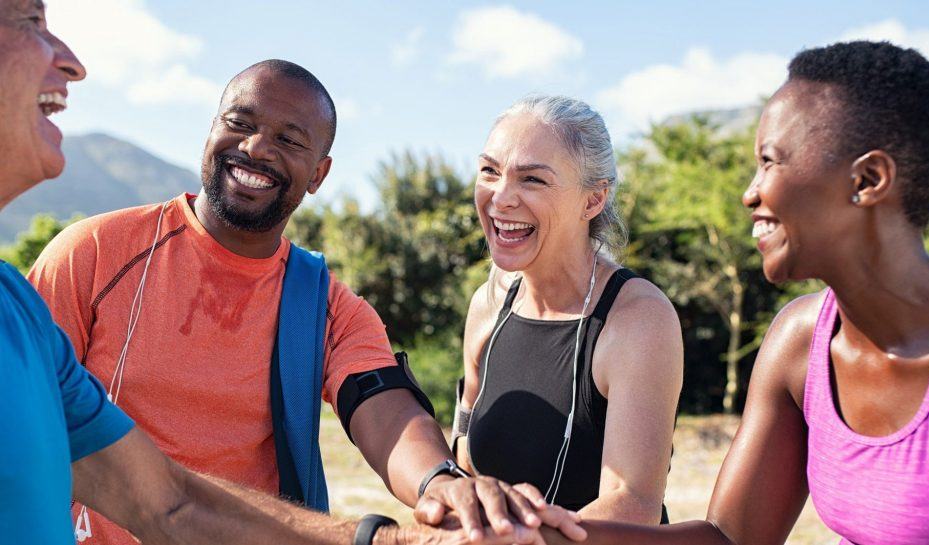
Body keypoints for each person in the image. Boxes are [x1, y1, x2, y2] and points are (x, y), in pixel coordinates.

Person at [2, 2, 584, 544]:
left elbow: (382, 405)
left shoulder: (325, 304)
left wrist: (442, 483)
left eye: (289, 139)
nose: (256, 147)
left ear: (319, 173)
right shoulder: (95, 252)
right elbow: (38, 431)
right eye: (240, 121)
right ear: (209, 129)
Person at [538, 40, 929, 545]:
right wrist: (530, 533)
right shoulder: (800, 341)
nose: (750, 192)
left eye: (770, 162)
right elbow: (730, 538)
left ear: (869, 179)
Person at [452, 95, 685, 525]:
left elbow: (633, 504)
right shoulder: (487, 305)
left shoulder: (637, 320)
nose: (500, 198)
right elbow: (465, 453)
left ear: (593, 200)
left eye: (533, 180)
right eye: (490, 171)